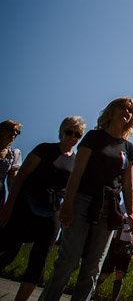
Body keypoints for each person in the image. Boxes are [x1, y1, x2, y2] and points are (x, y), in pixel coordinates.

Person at [38, 97, 133, 301]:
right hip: (83, 202)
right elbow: (77, 173)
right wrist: (69, 204)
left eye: (130, 110)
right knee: (68, 260)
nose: (126, 112)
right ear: (111, 111)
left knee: (93, 267)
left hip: (109, 210)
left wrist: (131, 212)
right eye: (122, 107)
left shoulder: (128, 148)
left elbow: (127, 185)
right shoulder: (93, 137)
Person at [0, 116, 86, 301]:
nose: (72, 137)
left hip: (51, 214)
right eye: (69, 132)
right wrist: (8, 207)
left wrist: (66, 215)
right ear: (61, 131)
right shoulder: (44, 149)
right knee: (7, 250)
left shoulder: (76, 162)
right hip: (25, 208)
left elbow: (72, 191)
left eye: (77, 135)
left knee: (38, 262)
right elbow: (19, 178)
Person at [96, 189, 133, 301]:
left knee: (120, 274)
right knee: (105, 273)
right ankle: (90, 292)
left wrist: (132, 249)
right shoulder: (118, 208)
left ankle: (114, 299)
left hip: (126, 246)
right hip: (114, 243)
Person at [0, 120, 23, 208]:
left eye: (17, 131)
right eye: (10, 130)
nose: (14, 133)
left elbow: (12, 179)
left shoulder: (13, 154)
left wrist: (13, 201)